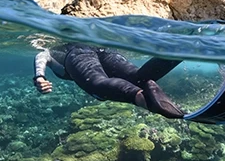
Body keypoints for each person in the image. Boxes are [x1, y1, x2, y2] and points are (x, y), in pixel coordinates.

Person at [33, 43, 184, 119]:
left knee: (98, 87)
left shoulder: (57, 49)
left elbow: (42, 55)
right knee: (137, 77)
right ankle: (182, 48)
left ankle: (144, 99)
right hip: (104, 49)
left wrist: (39, 76)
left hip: (77, 53)